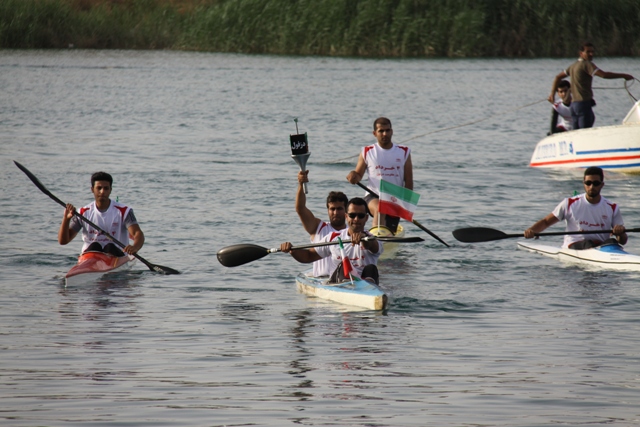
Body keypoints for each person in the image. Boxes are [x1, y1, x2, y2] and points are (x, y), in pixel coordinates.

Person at [281, 197, 383, 284]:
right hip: (339, 283)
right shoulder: (333, 237)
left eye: (360, 216)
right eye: (352, 215)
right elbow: (308, 256)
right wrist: (292, 250)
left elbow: (372, 246)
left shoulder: (372, 238)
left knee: (371, 268)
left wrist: (363, 238)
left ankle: (371, 292)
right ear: (346, 217)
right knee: (343, 266)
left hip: (365, 284)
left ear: (366, 218)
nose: (356, 219)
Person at [524, 166, 627, 249]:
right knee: (588, 243)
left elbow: (623, 241)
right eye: (588, 183)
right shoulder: (569, 203)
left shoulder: (612, 207)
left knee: (612, 242)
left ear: (602, 185)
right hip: (575, 245)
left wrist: (621, 233)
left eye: (596, 183)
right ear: (584, 184)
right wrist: (531, 230)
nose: (592, 186)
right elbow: (546, 221)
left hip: (602, 246)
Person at [346, 117, 413, 232]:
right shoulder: (367, 151)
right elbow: (358, 174)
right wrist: (353, 176)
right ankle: (375, 240)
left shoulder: (404, 152)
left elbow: (409, 181)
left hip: (394, 198)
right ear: (374, 133)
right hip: (373, 196)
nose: (385, 134)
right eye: (381, 131)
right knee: (380, 208)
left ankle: (384, 238)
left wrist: (406, 204)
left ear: (392, 131)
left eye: (387, 130)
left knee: (390, 230)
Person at [549, 42, 634, 130]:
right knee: (584, 132)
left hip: (574, 106)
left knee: (575, 133)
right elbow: (604, 75)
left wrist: (552, 94)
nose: (591, 54)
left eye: (592, 52)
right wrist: (624, 75)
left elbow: (558, 77)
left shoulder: (573, 66)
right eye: (588, 52)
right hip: (583, 104)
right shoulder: (587, 64)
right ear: (581, 53)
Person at [58, 171, 145, 257]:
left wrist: (135, 247)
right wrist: (66, 219)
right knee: (94, 246)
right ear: (92, 189)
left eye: (106, 188)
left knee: (110, 247)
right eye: (99, 188)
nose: (102, 191)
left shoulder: (124, 211)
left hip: (116, 254)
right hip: (90, 255)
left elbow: (137, 233)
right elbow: (63, 241)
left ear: (111, 190)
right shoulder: (83, 212)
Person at [295, 170, 349, 277]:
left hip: (343, 281)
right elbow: (300, 208)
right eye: (332, 209)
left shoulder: (352, 232)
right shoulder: (317, 227)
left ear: (346, 210)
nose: (336, 212)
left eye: (339, 209)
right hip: (320, 280)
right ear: (328, 210)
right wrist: (301, 184)